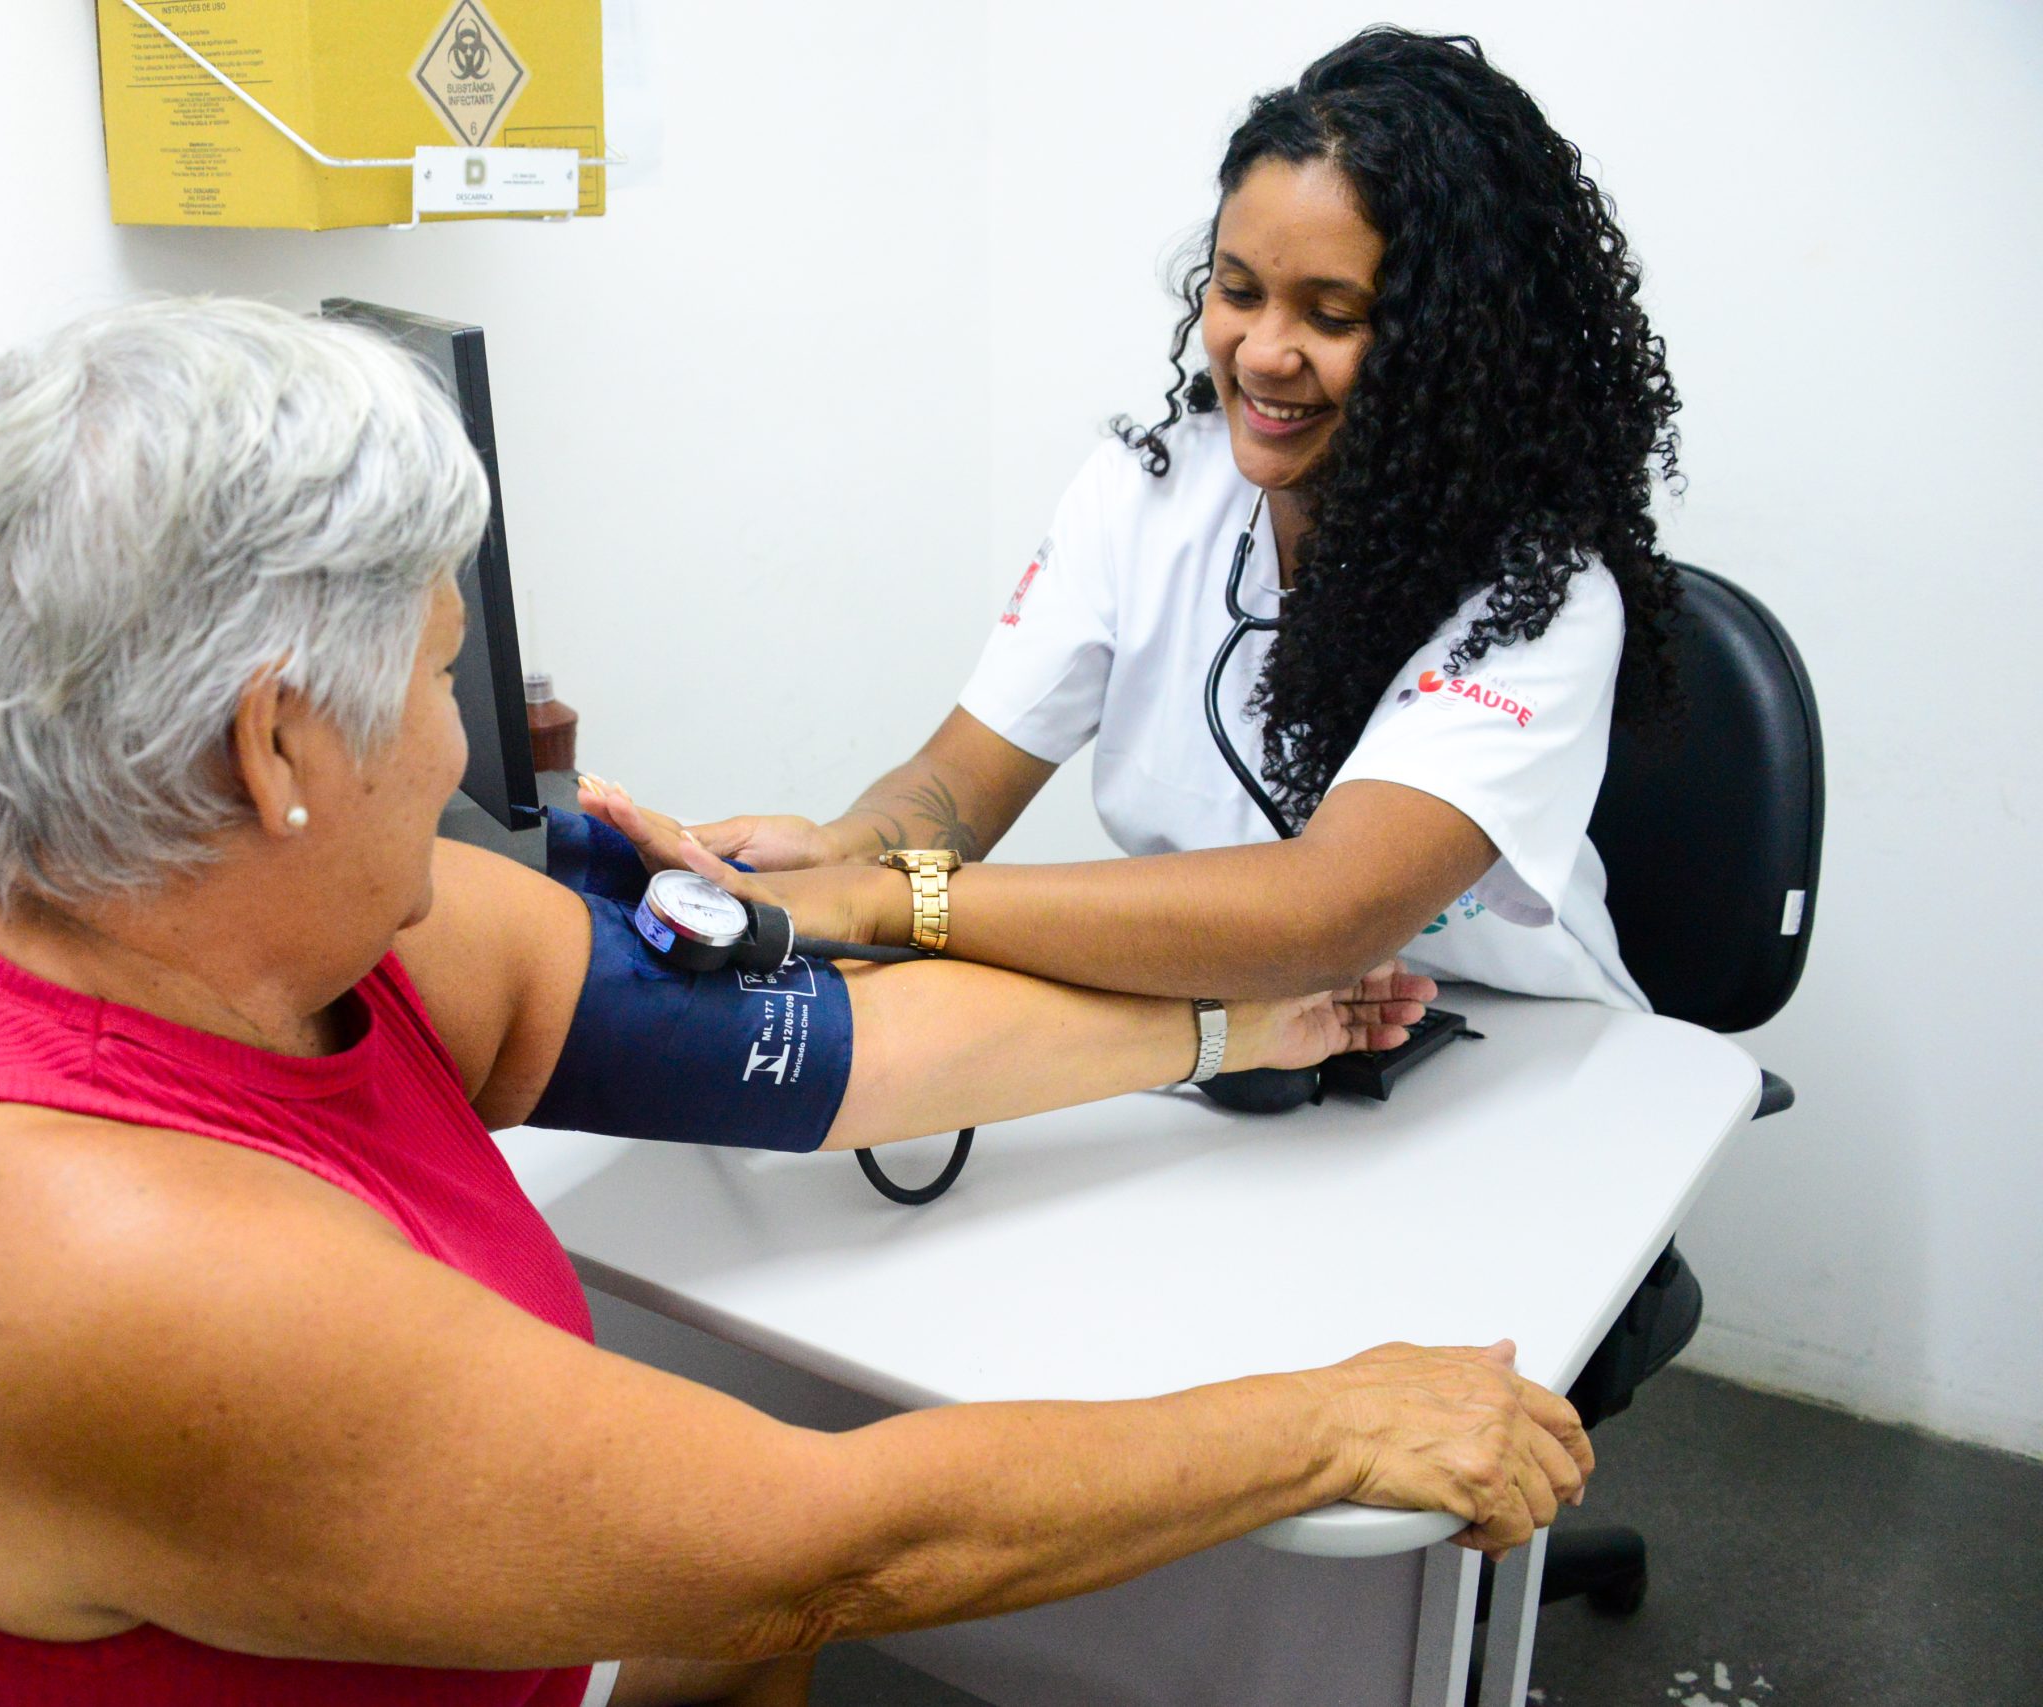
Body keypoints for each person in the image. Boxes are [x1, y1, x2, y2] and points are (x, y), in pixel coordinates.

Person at [0, 298, 1591, 1707]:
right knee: (776, 1600)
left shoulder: (241, 922)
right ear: (279, 745)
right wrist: (1328, 1422)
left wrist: (1227, 1029)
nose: (470, 752)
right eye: (443, 678)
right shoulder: (99, 1253)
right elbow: (835, 1541)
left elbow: (837, 1054)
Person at [587, 28, 1682, 1013]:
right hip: (1231, 1030)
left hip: (1512, 1052)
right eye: (1238, 291)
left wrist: (890, 901)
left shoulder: (1539, 598)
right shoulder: (1147, 491)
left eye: (1331, 314)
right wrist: (834, 851)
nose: (1263, 352)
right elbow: (958, 785)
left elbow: (1322, 913)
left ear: (1451, 341)